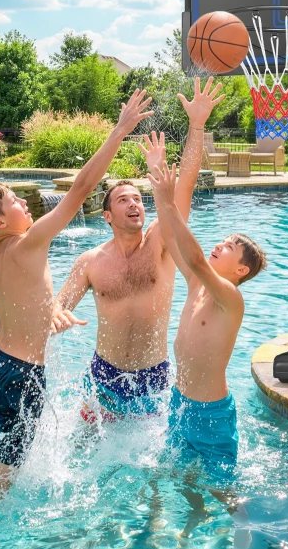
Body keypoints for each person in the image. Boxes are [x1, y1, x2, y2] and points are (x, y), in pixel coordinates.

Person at [0, 90, 153, 505]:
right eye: (14, 202)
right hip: (21, 373)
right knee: (8, 465)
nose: (25, 204)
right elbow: (81, 188)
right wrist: (119, 131)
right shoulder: (30, 244)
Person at [52, 77, 224, 420]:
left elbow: (184, 189)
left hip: (153, 380)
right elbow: (61, 302)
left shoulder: (160, 243)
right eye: (123, 200)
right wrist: (55, 313)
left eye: (138, 199)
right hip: (103, 378)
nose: (135, 204)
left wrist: (197, 125)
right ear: (107, 216)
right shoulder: (90, 261)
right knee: (86, 453)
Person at [146, 155, 266, 480]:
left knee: (222, 488)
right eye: (223, 241)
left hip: (210, 414)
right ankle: (188, 531)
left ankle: (241, 530)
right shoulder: (197, 283)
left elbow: (197, 259)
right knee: (183, 476)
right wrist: (160, 191)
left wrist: (171, 204)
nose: (219, 245)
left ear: (241, 270)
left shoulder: (230, 297)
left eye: (228, 247)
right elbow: (171, 242)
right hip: (179, 403)